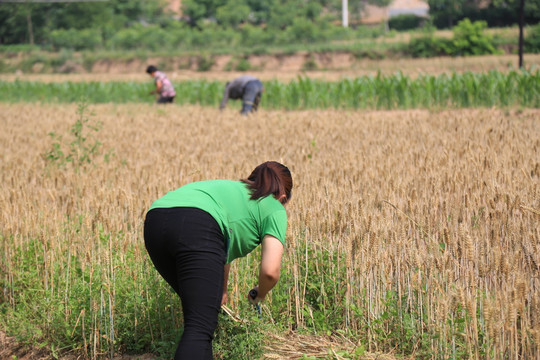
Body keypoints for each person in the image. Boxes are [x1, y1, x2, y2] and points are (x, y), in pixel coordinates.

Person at [143, 161, 293, 360]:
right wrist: (260, 292)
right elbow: (270, 271)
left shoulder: (231, 189)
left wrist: (220, 290)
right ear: (283, 197)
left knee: (202, 320)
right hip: (197, 225)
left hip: (156, 220)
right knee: (199, 326)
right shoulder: (274, 206)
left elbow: (221, 245)